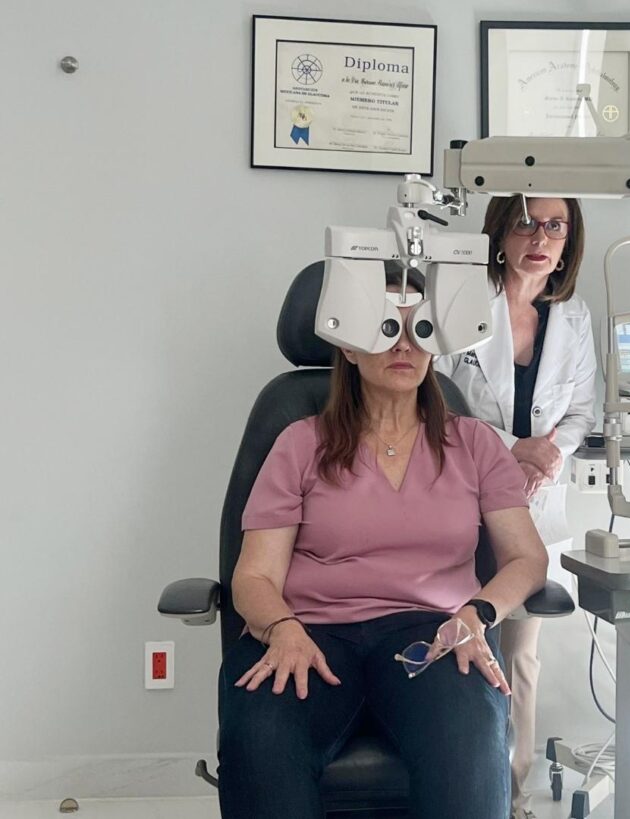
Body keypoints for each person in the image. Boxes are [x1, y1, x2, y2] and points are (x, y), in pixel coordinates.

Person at [217, 269, 549, 819]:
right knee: (262, 736)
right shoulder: (300, 443)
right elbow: (254, 577)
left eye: (419, 328)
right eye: (385, 325)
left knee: (467, 739)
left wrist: (477, 614)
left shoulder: (474, 444)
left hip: (434, 636)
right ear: (348, 345)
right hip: (310, 632)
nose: (403, 343)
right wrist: (281, 630)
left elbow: (526, 558)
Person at [434, 195, 597, 819]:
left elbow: (582, 411)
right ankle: (460, 775)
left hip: (536, 502)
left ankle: (513, 790)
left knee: (522, 652)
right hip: (459, 495)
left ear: (568, 240)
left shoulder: (574, 318)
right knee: (464, 633)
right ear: (499, 233)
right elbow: (442, 402)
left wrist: (546, 456)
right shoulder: (463, 304)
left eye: (556, 225)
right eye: (526, 221)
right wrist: (513, 450)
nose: (540, 236)